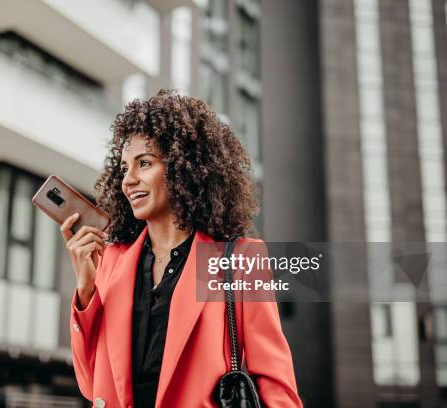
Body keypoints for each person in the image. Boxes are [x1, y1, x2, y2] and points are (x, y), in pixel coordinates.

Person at [60, 89, 303, 407]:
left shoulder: (240, 260)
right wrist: (87, 290)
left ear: (182, 167)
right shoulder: (112, 262)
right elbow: (92, 385)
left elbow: (277, 388)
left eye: (143, 163)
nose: (128, 180)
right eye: (124, 168)